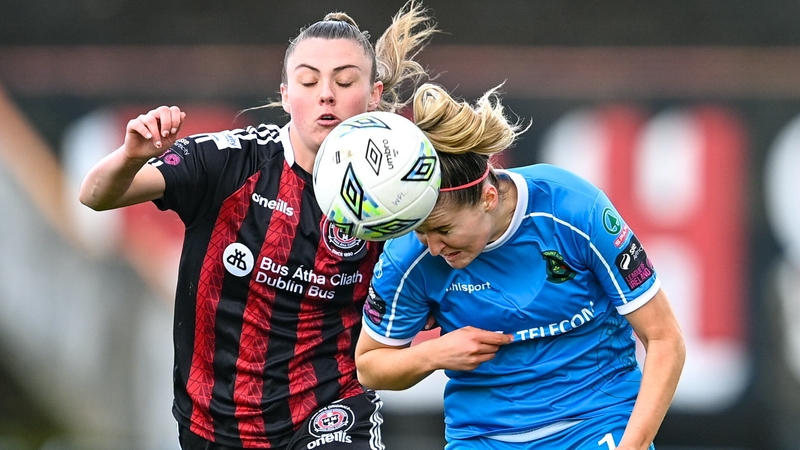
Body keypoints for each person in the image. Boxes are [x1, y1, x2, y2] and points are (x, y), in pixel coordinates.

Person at [78, 3, 438, 449]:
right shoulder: (231, 161)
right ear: (287, 95)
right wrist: (132, 155)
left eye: (344, 82)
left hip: (332, 410)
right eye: (309, 81)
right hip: (213, 420)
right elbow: (95, 195)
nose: (326, 94)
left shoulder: (399, 189)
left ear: (374, 94)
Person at [354, 83, 686, 450]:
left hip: (595, 425)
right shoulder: (409, 254)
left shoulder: (573, 208)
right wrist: (433, 354)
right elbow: (369, 364)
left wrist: (633, 447)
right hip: (481, 439)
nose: (432, 247)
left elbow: (665, 339)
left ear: (488, 197)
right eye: (421, 231)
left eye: (443, 229)